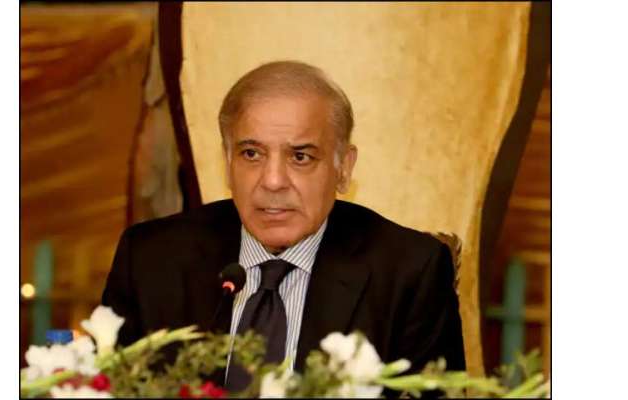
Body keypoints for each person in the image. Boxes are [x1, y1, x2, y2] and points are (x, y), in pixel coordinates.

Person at [101, 60, 465, 389]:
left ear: (343, 168)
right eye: (251, 154)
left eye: (300, 156)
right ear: (227, 162)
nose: (273, 181)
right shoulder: (151, 261)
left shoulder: (409, 273)